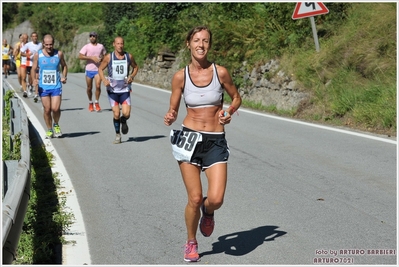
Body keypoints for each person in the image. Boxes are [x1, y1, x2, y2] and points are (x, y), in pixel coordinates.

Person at [163, 25, 242, 262]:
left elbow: (236, 97)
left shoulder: (221, 73)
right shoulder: (180, 77)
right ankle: (190, 241)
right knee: (195, 198)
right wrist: (170, 116)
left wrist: (229, 111)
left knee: (215, 199)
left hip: (216, 140)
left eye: (205, 41)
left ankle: (208, 213)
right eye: (196, 40)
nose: (201, 45)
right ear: (188, 44)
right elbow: (173, 108)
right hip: (189, 140)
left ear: (210, 45)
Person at [98, 36, 138, 144]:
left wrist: (132, 76)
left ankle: (123, 120)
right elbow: (100, 69)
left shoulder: (128, 56)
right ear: (114, 44)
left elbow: (136, 67)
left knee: (126, 113)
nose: (120, 46)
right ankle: (117, 135)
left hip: (124, 89)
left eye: (122, 44)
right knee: (116, 114)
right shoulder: (108, 57)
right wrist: (103, 80)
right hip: (112, 90)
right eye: (118, 44)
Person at [32, 34, 68, 139]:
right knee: (47, 109)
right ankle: (49, 129)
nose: (49, 47)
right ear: (43, 44)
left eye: (51, 44)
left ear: (53, 44)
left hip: (56, 85)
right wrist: (34, 79)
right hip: (43, 87)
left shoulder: (59, 54)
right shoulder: (38, 55)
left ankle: (56, 124)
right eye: (46, 44)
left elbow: (64, 66)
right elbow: (34, 68)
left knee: (55, 108)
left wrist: (64, 76)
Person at [79, 31, 107, 112]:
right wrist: (91, 58)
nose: (92, 37)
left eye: (94, 36)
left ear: (96, 37)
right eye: (91, 36)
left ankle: (97, 103)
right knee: (89, 88)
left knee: (98, 86)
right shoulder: (86, 47)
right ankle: (90, 102)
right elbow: (80, 56)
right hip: (89, 70)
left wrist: (102, 59)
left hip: (98, 70)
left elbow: (105, 56)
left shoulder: (101, 46)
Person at [21, 32, 42, 98]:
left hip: (37, 64)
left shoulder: (40, 44)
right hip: (30, 63)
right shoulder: (28, 44)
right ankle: (30, 86)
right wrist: (27, 55)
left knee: (36, 78)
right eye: (33, 36)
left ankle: (36, 93)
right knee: (30, 78)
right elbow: (21, 53)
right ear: (31, 37)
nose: (35, 37)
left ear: (37, 37)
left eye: (36, 36)